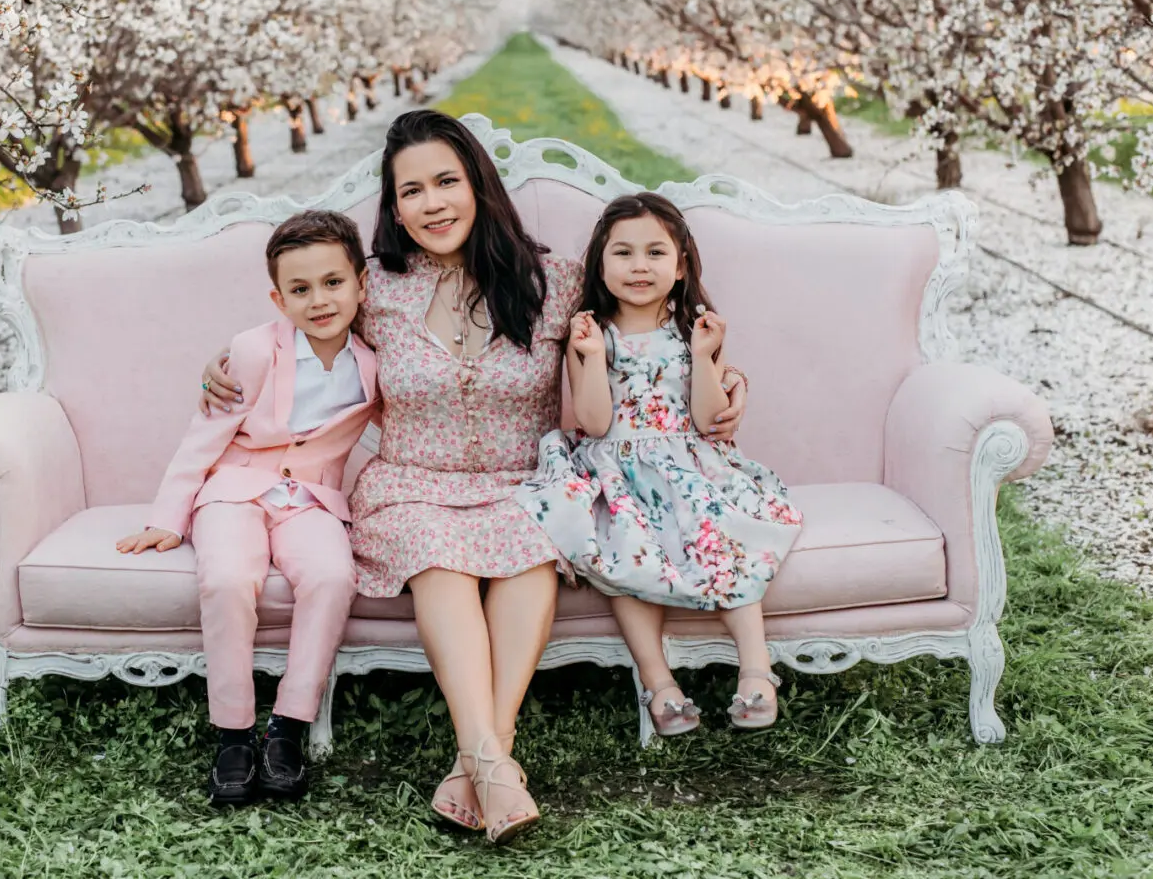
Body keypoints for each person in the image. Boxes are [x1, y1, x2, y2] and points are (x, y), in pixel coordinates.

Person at [198, 112, 754, 843]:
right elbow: (302, 317)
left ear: (478, 184)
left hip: (524, 477)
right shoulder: (378, 290)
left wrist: (719, 370)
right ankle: (493, 760)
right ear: (393, 208)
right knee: (442, 561)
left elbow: (638, 326)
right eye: (411, 191)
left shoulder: (552, 282)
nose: (432, 204)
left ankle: (479, 762)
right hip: (412, 483)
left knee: (530, 553)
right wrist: (225, 361)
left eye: (445, 182)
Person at [118, 210, 378, 805]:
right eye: (300, 289)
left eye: (333, 283)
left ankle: (288, 725)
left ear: (361, 284)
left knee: (333, 576)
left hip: (311, 498)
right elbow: (203, 435)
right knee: (230, 578)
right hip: (234, 489)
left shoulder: (375, 359)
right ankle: (233, 732)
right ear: (277, 297)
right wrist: (166, 517)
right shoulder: (255, 351)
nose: (319, 300)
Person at [524, 192, 803, 736]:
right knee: (622, 554)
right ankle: (660, 684)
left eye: (655, 253)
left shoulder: (693, 331)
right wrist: (594, 358)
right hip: (616, 467)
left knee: (721, 536)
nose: (639, 266)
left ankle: (756, 669)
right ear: (601, 267)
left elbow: (706, 418)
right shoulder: (591, 333)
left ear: (680, 268)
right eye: (622, 253)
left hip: (686, 461)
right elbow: (595, 422)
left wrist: (705, 358)